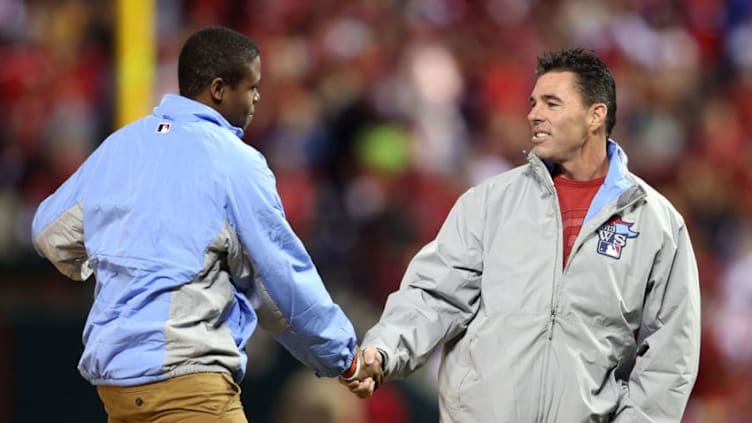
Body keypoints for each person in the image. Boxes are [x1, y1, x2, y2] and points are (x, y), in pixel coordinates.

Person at [31, 26, 377, 423]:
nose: (257, 97)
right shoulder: (233, 160)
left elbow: (49, 233)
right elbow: (283, 279)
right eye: (251, 87)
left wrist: (114, 258)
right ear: (218, 89)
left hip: (118, 390)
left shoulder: (122, 145)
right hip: (190, 389)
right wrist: (343, 358)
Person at [342, 48, 701, 422]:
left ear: (596, 115)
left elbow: (669, 357)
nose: (534, 114)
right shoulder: (489, 203)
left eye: (552, 103)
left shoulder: (656, 224)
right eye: (533, 103)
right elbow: (433, 295)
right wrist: (384, 350)